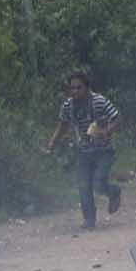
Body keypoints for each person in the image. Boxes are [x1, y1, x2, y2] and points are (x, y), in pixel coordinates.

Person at [46, 68, 124, 228]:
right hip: (83, 150)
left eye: (78, 87)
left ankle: (114, 192)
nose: (74, 91)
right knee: (83, 185)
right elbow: (63, 125)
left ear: (86, 88)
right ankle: (89, 220)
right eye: (71, 88)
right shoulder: (68, 106)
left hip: (104, 150)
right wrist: (52, 142)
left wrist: (106, 131)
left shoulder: (99, 101)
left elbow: (117, 118)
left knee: (98, 182)